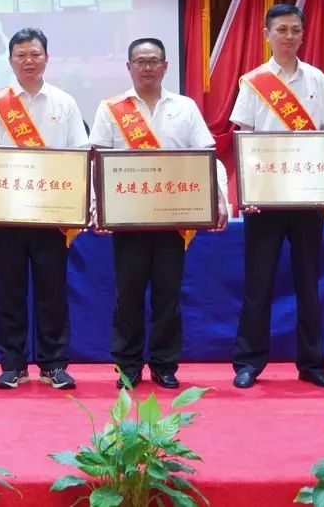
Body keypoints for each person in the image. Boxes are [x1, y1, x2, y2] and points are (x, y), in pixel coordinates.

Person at [89, 38, 228, 390]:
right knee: (128, 295)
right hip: (127, 219)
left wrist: (220, 198)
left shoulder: (185, 107)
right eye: (140, 61)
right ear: (129, 67)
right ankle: (128, 366)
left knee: (168, 295)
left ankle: (165, 364)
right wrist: (96, 205)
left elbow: (208, 157)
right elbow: (97, 164)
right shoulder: (111, 109)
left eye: (154, 61)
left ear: (166, 66)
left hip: (172, 218)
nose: (147, 67)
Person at [228, 3, 324, 389]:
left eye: (295, 30)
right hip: (265, 197)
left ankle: (312, 364)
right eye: (281, 30)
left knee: (308, 282)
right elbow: (242, 138)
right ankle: (248, 363)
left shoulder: (316, 80)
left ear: (303, 35)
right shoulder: (253, 82)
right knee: (258, 281)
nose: (289, 36)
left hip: (308, 196)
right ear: (267, 34)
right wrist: (246, 191)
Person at [0, 27, 87, 389]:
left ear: (47, 58)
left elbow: (80, 154)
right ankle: (12, 364)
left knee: (53, 291)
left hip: (52, 214)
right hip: (6, 214)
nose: (28, 61)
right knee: (8, 291)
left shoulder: (64, 103)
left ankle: (54, 364)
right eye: (21, 55)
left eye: (35, 54)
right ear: (10, 60)